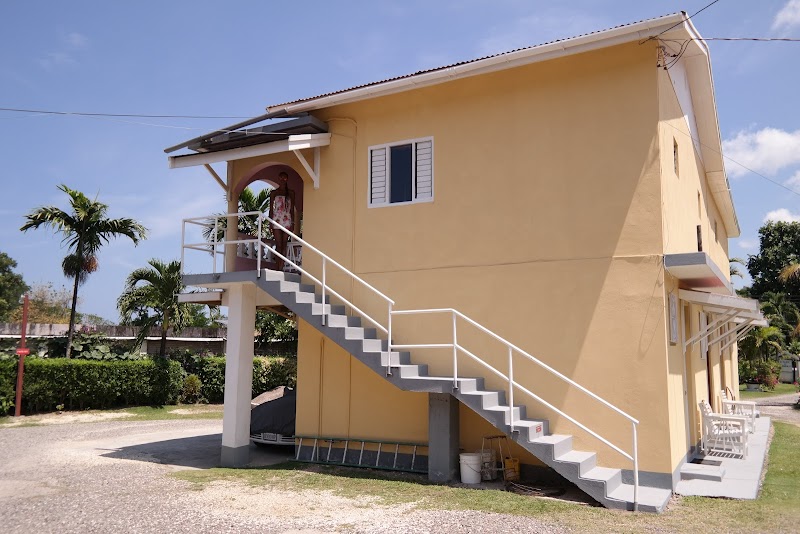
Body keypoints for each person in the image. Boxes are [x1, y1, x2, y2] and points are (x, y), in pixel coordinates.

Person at [268, 171, 296, 270]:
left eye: (284, 178)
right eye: (281, 178)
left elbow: (292, 209)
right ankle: (277, 266)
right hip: (276, 219)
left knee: (284, 244)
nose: (283, 180)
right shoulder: (274, 193)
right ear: (278, 179)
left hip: (287, 220)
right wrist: (270, 222)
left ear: (287, 179)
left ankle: (281, 266)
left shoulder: (291, 193)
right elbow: (271, 209)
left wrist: (293, 223)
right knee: (278, 244)